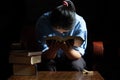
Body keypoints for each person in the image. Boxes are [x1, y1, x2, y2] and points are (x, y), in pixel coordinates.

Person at [35, 0, 87, 71]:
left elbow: (78, 54)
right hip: (49, 56)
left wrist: (67, 49)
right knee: (47, 67)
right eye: (57, 29)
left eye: (65, 31)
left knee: (76, 66)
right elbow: (44, 54)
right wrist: (53, 49)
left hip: (72, 56)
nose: (61, 33)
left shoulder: (79, 22)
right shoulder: (44, 21)